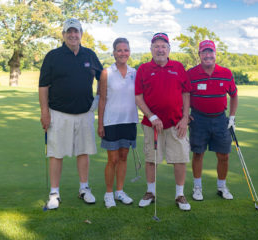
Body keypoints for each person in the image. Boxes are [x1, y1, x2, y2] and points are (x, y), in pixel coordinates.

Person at [39, 18, 103, 210]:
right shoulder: (53, 56)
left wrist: (99, 99)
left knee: (83, 152)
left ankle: (84, 188)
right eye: (69, 32)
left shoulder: (89, 55)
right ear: (64, 34)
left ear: (81, 34)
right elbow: (43, 86)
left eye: (76, 32)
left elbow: (104, 77)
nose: (73, 35)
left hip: (84, 113)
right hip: (58, 113)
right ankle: (54, 193)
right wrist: (44, 112)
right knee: (56, 153)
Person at [135, 33, 191, 211]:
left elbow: (186, 93)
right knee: (151, 160)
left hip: (176, 123)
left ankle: (180, 194)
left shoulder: (178, 67)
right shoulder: (143, 69)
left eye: (163, 46)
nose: (160, 49)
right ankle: (150, 192)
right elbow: (138, 96)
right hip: (152, 124)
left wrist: (184, 118)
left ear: (169, 50)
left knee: (180, 159)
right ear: (151, 49)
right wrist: (151, 116)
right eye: (156, 46)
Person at [187, 40, 238, 201]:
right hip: (198, 118)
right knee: (198, 154)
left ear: (215, 54)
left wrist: (232, 117)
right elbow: (185, 95)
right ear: (200, 55)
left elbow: (234, 95)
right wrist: (185, 114)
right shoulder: (191, 73)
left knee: (224, 155)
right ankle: (197, 188)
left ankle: (221, 187)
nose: (207, 55)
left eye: (210, 52)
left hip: (220, 119)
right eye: (204, 52)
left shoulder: (226, 73)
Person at [98, 38, 139, 208]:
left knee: (123, 157)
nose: (123, 53)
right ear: (114, 52)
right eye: (119, 50)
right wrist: (100, 124)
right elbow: (102, 100)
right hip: (111, 121)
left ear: (129, 52)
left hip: (129, 121)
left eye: (126, 50)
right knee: (112, 159)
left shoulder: (134, 72)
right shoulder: (106, 73)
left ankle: (120, 191)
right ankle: (109, 194)